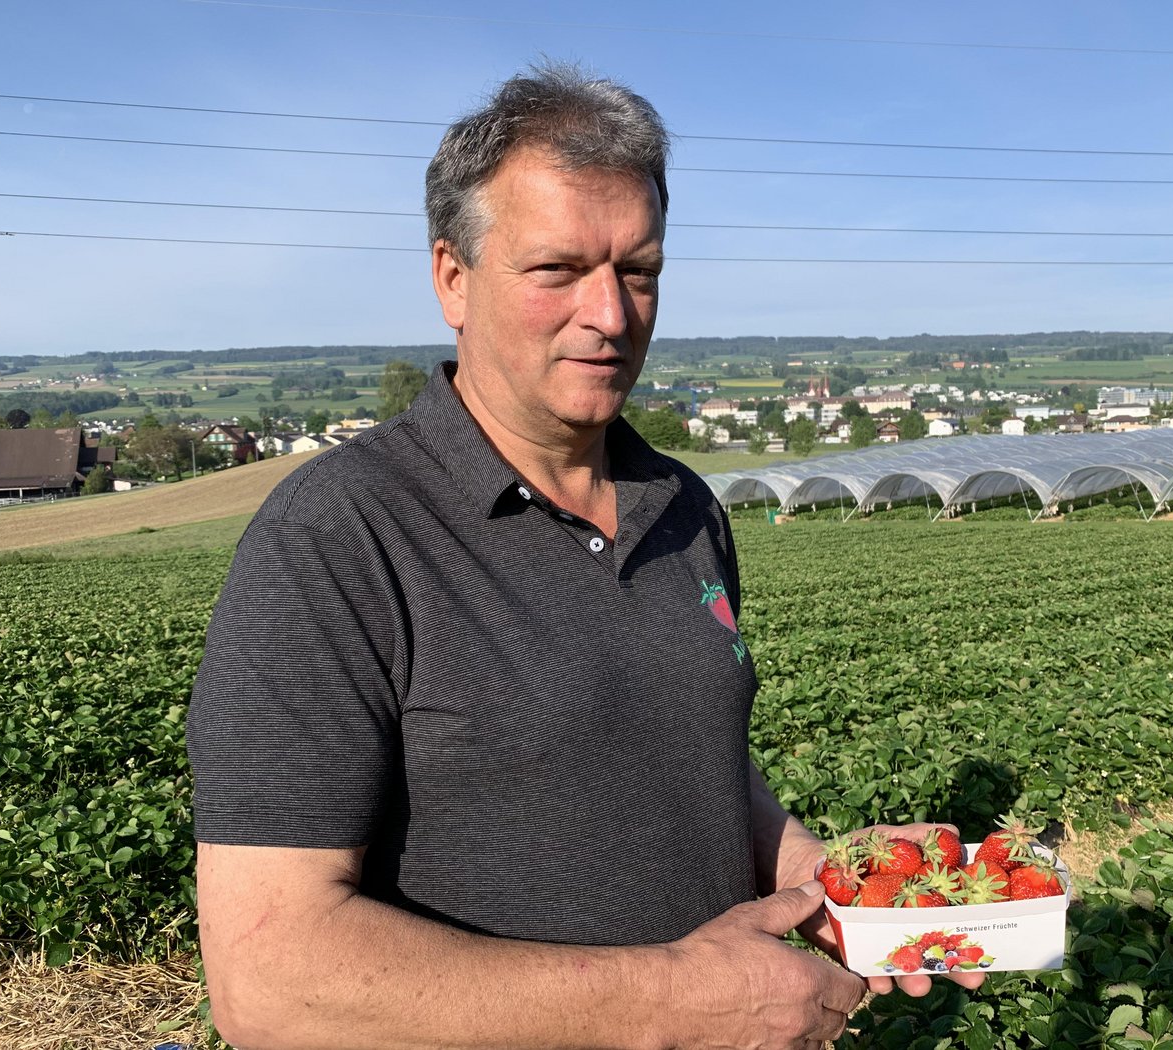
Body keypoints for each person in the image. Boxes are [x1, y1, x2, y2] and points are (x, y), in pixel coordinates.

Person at [187, 61, 981, 1050]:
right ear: (452, 278)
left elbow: (693, 761)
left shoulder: (684, 508)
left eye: (637, 270)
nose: (610, 315)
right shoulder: (339, 537)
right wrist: (669, 1003)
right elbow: (270, 981)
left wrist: (818, 878)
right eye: (557, 270)